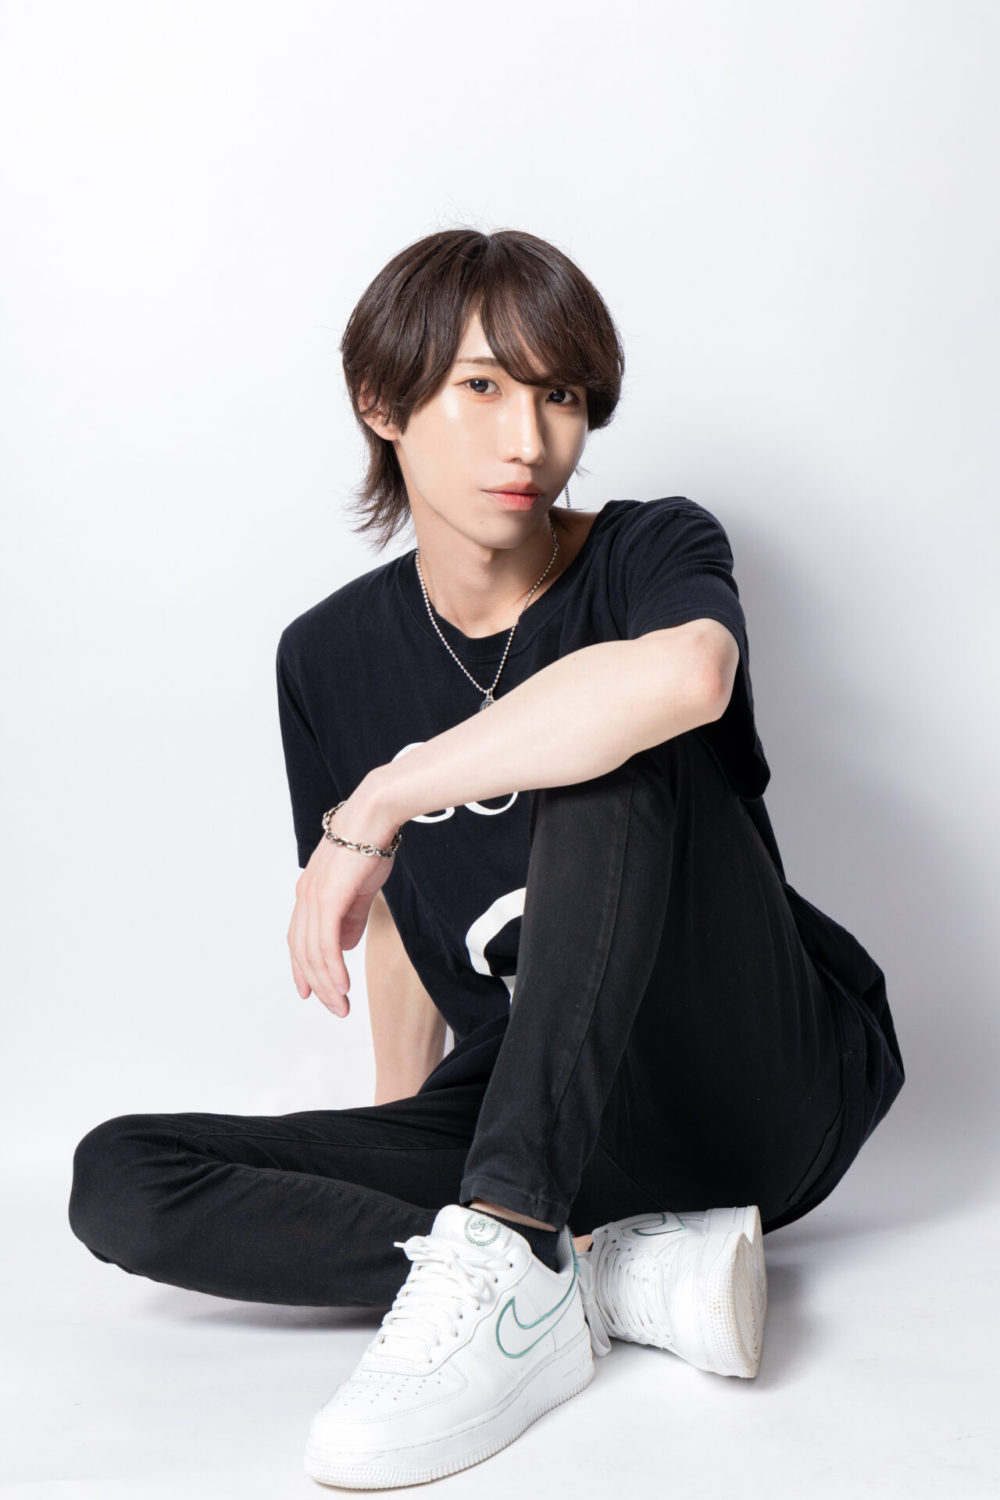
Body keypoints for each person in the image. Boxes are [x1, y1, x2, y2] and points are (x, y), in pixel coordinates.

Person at [69, 227, 904, 1489]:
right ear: (379, 401)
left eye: (559, 395)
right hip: (543, 1109)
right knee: (121, 1177)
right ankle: (599, 1272)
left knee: (609, 733)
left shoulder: (647, 550)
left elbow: (689, 677)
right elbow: (399, 927)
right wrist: (395, 1131)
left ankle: (510, 1245)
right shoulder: (325, 658)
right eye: (481, 387)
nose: (529, 441)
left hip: (753, 1075)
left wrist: (388, 791)